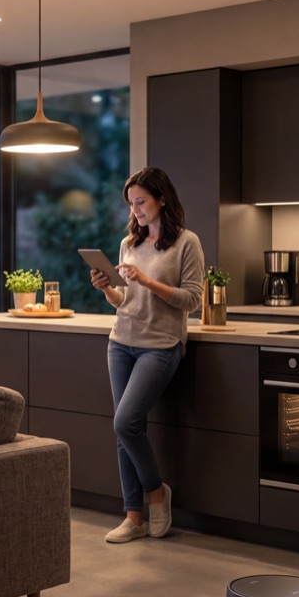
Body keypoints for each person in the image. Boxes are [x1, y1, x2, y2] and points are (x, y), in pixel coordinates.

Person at [89, 166, 203, 543]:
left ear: (161, 199)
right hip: (120, 341)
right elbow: (124, 301)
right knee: (124, 430)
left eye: (140, 202)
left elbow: (192, 300)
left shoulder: (187, 243)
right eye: (131, 204)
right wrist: (108, 288)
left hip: (161, 345)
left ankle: (156, 493)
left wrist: (148, 280)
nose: (135, 210)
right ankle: (134, 516)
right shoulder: (128, 244)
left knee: (126, 423)